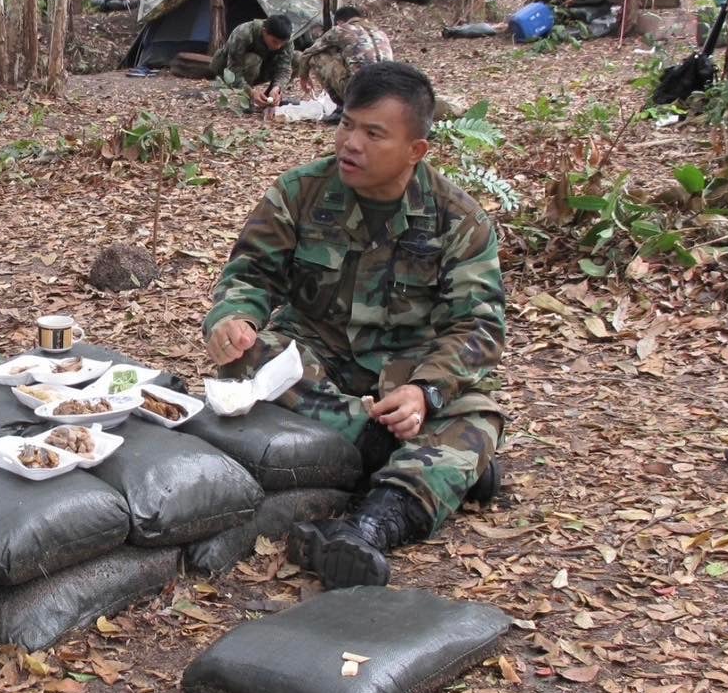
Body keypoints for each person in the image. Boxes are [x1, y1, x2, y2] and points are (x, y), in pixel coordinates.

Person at [202, 62, 505, 589]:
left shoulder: (458, 219)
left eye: (373, 133)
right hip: (316, 356)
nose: (351, 143)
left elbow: (478, 327)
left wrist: (424, 392)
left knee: (478, 415)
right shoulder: (300, 192)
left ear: (415, 150)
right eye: (346, 124)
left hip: (407, 370)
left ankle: (371, 526)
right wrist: (234, 317)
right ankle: (407, 454)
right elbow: (250, 273)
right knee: (250, 358)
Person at [294, 6, 393, 115]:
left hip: (359, 93)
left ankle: (343, 107)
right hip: (386, 94)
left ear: (339, 22)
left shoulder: (340, 29)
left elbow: (308, 53)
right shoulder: (380, 33)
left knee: (316, 56)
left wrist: (303, 77)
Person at [209, 13, 295, 109]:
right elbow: (233, 71)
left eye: (282, 43)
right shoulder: (243, 34)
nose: (278, 46)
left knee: (297, 58)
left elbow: (284, 69)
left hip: (261, 69)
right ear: (264, 31)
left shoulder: (287, 40)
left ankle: (269, 99)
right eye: (274, 41)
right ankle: (245, 101)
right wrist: (250, 92)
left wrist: (277, 88)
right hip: (228, 71)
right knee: (254, 59)